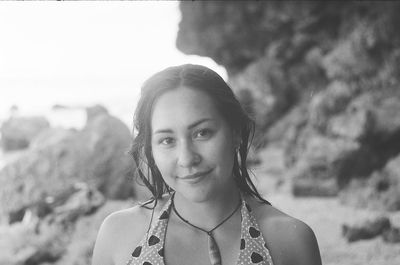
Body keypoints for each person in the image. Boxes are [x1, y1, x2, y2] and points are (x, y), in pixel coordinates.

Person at [92, 64, 322, 265]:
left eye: (202, 133)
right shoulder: (118, 235)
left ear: (235, 134)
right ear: (151, 149)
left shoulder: (290, 239)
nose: (187, 158)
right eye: (167, 140)